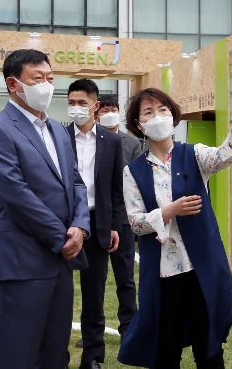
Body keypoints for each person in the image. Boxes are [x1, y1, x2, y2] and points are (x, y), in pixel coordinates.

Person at [118, 88, 232, 369]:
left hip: (199, 268)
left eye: (163, 110)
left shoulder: (193, 154)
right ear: (138, 124)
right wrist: (169, 211)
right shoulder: (132, 171)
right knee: (166, 350)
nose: (157, 116)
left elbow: (220, 158)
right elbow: (135, 223)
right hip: (164, 274)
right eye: (148, 112)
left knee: (209, 349)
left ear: (173, 116)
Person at [0, 49, 90, 369]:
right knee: (19, 355)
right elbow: (15, 194)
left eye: (51, 78)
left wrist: (80, 227)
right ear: (13, 84)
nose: (47, 85)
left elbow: (76, 183)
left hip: (59, 264)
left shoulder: (57, 129)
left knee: (55, 354)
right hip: (20, 263)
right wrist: (63, 238)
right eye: (37, 78)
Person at [66, 80, 125, 369]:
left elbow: (117, 189)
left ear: (95, 105)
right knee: (59, 292)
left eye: (81, 102)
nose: (76, 108)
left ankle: (92, 356)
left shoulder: (111, 141)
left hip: (98, 222)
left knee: (94, 294)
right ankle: (56, 354)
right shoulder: (58, 136)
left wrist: (114, 225)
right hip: (65, 225)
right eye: (71, 102)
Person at [95, 94, 142, 341]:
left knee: (125, 277)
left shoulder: (131, 144)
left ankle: (129, 328)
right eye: (104, 109)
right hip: (97, 219)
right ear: (97, 112)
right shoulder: (89, 140)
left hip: (123, 219)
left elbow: (135, 179)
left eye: (112, 109)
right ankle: (94, 328)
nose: (108, 113)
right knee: (96, 280)